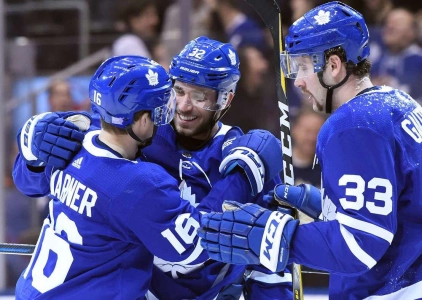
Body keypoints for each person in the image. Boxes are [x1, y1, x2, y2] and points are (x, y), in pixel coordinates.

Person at [15, 37, 293, 299]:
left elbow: (268, 260)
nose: (183, 106)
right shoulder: (136, 128)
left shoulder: (240, 153)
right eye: (179, 90)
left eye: (199, 96)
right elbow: (30, 181)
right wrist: (34, 138)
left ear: (225, 100)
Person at [198, 1, 422, 299]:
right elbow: (398, 204)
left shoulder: (352, 125)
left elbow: (359, 245)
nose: (298, 81)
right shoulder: (397, 102)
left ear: (333, 65)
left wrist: (276, 238)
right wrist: (324, 205)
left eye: (303, 66)